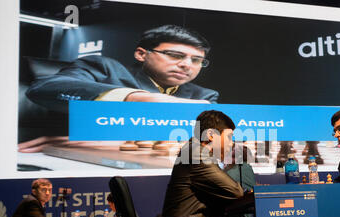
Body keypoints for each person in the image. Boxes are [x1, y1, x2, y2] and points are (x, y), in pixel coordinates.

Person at [21, 24, 218, 152]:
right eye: (175, 55)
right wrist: (134, 97)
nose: (187, 64)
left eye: (196, 60)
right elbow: (44, 88)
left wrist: (115, 143)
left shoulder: (203, 95)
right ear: (142, 54)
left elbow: (206, 142)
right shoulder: (104, 68)